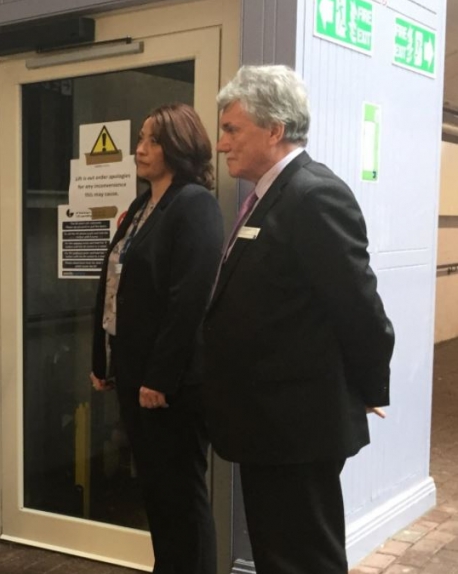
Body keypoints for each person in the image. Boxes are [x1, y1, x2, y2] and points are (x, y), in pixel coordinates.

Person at [203, 64, 395, 573]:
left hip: (297, 425)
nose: (221, 144)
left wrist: (372, 386)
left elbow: (358, 305)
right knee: (278, 554)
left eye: (231, 129)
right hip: (269, 421)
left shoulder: (313, 195)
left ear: (274, 129)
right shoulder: (271, 195)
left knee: (304, 559)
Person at [89, 103, 223, 574]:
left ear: (179, 147)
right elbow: (113, 286)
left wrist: (159, 378)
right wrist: (102, 360)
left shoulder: (195, 205)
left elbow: (188, 301)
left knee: (181, 498)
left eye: (151, 140)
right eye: (140, 139)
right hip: (135, 375)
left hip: (169, 385)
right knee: (157, 495)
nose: (139, 149)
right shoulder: (143, 207)